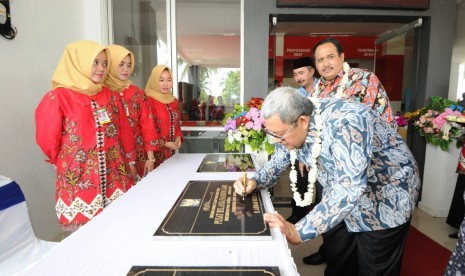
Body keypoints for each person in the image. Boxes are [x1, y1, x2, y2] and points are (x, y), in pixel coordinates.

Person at [234, 87, 420, 276]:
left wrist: (300, 231)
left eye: (279, 135)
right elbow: (280, 158)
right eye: (271, 134)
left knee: (374, 267)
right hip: (338, 198)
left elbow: (349, 188)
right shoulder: (291, 125)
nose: (275, 141)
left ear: (303, 121)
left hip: (386, 197)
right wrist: (256, 181)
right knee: (338, 260)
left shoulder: (347, 122)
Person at [300, 37, 398, 266]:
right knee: (335, 228)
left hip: (365, 170)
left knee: (364, 232)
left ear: (342, 57)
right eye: (320, 59)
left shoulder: (364, 79)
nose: (325, 63)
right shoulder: (317, 90)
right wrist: (307, 155)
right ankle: (333, 256)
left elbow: (383, 123)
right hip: (331, 172)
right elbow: (313, 129)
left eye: (330, 57)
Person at [35, 40, 137, 232]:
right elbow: (47, 139)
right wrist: (69, 161)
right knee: (82, 245)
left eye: (105, 63)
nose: (101, 68)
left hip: (115, 177)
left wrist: (130, 161)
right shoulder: (58, 97)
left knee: (118, 235)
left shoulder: (111, 95)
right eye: (95, 62)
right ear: (78, 62)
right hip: (79, 181)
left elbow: (124, 131)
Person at [104, 44, 159, 179]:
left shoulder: (137, 94)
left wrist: (150, 158)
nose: (126, 69)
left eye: (129, 65)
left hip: (138, 154)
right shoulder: (101, 93)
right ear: (110, 64)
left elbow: (147, 125)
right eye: (121, 64)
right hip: (111, 156)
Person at [145, 65, 183, 168]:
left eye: (169, 80)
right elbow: (146, 128)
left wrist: (178, 137)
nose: (166, 84)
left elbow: (176, 124)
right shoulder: (148, 100)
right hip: (154, 154)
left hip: (172, 154)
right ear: (154, 81)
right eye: (161, 80)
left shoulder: (173, 101)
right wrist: (165, 143)